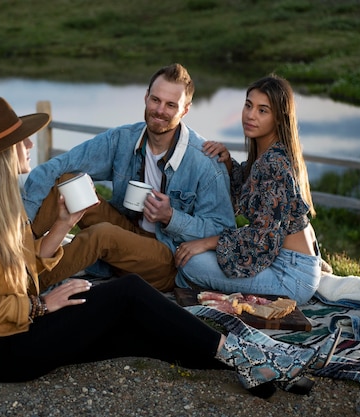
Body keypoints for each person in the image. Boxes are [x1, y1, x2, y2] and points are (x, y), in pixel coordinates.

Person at [0, 96, 339, 400]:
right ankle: (256, 356)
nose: (29, 148)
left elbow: (28, 264)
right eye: (21, 143)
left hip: (26, 326)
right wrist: (40, 306)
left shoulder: (1, 203)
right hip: (1, 350)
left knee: (140, 334)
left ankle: (260, 366)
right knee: (126, 294)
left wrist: (62, 224)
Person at [22, 63, 236, 292]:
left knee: (102, 235)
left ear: (185, 110)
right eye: (156, 100)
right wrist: (20, 229)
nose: (160, 110)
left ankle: (25, 285)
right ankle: (15, 256)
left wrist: (171, 216)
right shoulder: (123, 138)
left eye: (171, 105)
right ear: (146, 97)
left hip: (167, 256)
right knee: (66, 181)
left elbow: (223, 229)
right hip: (127, 231)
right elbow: (57, 166)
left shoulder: (204, 161)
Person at [174, 74, 322, 304]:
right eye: (248, 105)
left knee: (191, 264)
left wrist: (206, 241)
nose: (251, 115)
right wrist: (229, 163)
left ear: (279, 119)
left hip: (291, 277)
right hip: (291, 262)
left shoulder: (274, 164)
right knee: (196, 257)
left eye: (263, 110)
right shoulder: (268, 155)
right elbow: (248, 193)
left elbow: (262, 238)